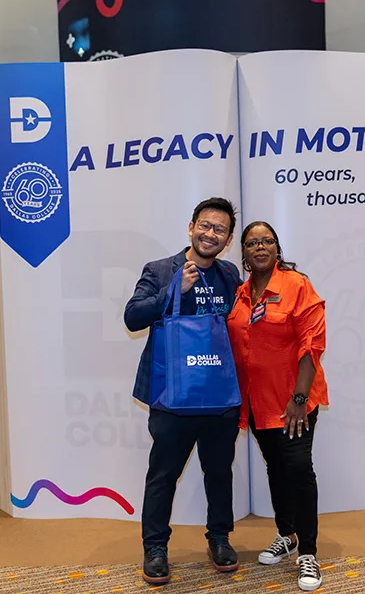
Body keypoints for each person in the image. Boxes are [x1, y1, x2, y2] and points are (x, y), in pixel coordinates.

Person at [124, 198, 243, 585]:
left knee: (219, 471)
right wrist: (175, 289)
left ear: (227, 241)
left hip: (218, 394)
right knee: (163, 474)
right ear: (191, 227)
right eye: (205, 226)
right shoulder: (161, 270)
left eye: (220, 230)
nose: (211, 234)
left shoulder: (229, 274)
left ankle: (220, 539)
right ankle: (155, 547)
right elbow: (133, 315)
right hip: (171, 397)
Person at [226, 221, 329, 592]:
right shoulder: (239, 294)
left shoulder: (295, 286)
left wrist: (299, 398)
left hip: (292, 402)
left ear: (277, 247)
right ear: (244, 252)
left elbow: (311, 343)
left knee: (298, 468)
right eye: (252, 242)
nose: (260, 247)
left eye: (267, 240)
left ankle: (309, 554)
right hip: (256, 402)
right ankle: (286, 535)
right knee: (276, 468)